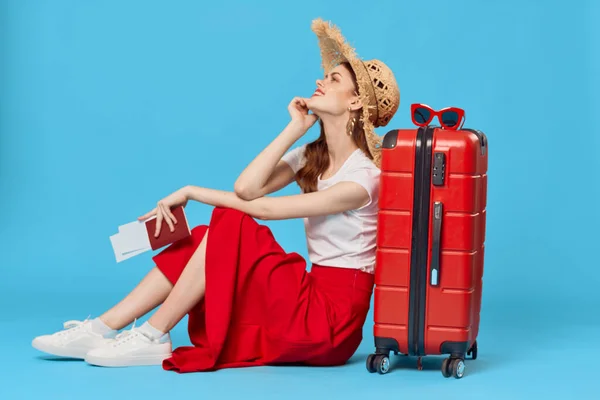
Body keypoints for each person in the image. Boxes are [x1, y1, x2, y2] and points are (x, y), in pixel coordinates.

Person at [31, 18, 400, 373]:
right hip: (307, 292)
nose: (320, 81)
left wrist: (192, 191)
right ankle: (102, 328)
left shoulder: (364, 181)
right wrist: (295, 128)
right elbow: (247, 188)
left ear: (355, 104)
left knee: (231, 222)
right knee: (206, 236)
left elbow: (265, 209)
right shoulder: (312, 156)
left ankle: (152, 335)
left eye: (334, 79)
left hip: (329, 322)